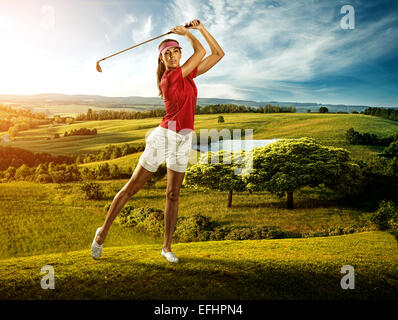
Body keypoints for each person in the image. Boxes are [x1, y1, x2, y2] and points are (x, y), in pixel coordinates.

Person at [91, 19, 225, 263]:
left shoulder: (188, 75)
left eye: (176, 51)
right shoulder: (170, 78)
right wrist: (188, 34)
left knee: (173, 194)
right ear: (162, 60)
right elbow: (202, 51)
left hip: (184, 138)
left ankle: (166, 247)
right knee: (132, 187)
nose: (173, 56)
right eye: (168, 53)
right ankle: (102, 233)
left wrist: (201, 29)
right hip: (164, 137)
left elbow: (218, 53)